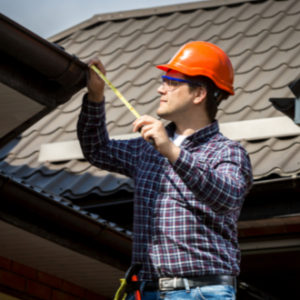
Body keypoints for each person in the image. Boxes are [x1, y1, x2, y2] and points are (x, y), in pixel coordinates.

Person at [77, 41, 253, 300]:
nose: (161, 88)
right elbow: (96, 149)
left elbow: (227, 198)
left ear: (199, 93)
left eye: (171, 81)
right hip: (146, 291)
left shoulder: (227, 152)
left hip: (202, 293)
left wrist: (171, 151)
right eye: (163, 80)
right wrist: (95, 96)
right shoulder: (146, 149)